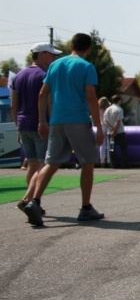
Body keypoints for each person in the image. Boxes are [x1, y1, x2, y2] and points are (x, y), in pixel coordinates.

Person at [28, 33, 105, 225]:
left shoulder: (55, 65)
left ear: (71, 45)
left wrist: (42, 121)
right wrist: (98, 125)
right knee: (87, 162)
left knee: (51, 163)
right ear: (88, 49)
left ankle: (34, 202)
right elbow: (91, 98)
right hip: (78, 120)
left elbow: (42, 94)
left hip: (56, 121)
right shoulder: (86, 67)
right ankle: (86, 207)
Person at [10, 42, 62, 224]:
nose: (53, 58)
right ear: (41, 55)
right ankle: (28, 200)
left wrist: (18, 126)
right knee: (43, 165)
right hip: (40, 125)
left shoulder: (18, 76)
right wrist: (47, 122)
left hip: (23, 124)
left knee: (32, 165)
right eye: (51, 54)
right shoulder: (45, 75)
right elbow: (48, 101)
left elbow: (13, 105)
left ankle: (34, 203)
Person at [104, 95, 128, 168]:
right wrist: (114, 130)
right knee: (123, 148)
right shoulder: (119, 109)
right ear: (119, 100)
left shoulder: (107, 109)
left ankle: (113, 164)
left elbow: (105, 121)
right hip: (119, 132)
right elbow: (118, 121)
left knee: (111, 149)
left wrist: (111, 129)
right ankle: (124, 164)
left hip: (110, 133)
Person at [98, 97, 111, 167]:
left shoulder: (99, 109)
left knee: (102, 145)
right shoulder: (108, 109)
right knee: (109, 144)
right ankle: (109, 160)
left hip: (102, 125)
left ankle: (102, 161)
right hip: (108, 125)